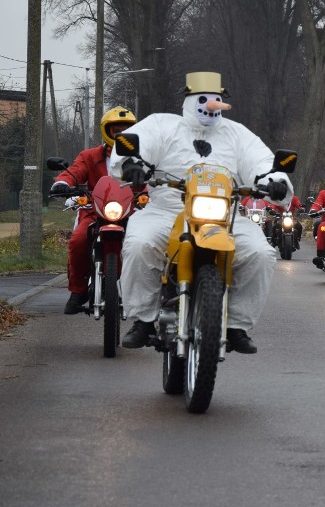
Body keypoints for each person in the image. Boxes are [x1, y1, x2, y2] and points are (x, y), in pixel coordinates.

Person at [110, 71, 294, 354]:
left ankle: (236, 324)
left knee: (260, 253)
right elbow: (137, 144)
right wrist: (131, 164)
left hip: (225, 213)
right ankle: (143, 319)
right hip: (167, 210)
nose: (210, 106)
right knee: (138, 244)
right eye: (203, 99)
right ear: (188, 98)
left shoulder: (237, 134)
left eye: (217, 100)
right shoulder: (161, 125)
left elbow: (262, 161)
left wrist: (275, 182)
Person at [50, 106, 137, 314]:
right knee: (79, 239)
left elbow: (152, 179)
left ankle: (150, 292)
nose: (120, 135)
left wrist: (153, 191)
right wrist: (62, 182)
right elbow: (74, 172)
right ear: (106, 131)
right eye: (116, 130)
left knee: (147, 243)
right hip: (93, 209)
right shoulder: (89, 156)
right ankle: (78, 291)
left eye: (126, 131)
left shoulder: (141, 157)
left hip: (133, 210)